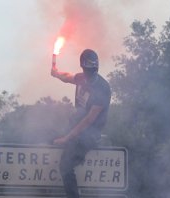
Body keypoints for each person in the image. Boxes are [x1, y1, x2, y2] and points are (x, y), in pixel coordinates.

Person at [50, 49, 111, 198]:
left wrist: (67, 138)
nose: (89, 73)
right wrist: (56, 73)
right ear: (83, 68)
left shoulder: (102, 88)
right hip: (76, 129)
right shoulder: (81, 78)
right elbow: (68, 77)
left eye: (92, 69)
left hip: (90, 134)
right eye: (87, 69)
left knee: (65, 166)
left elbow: (89, 120)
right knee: (49, 135)